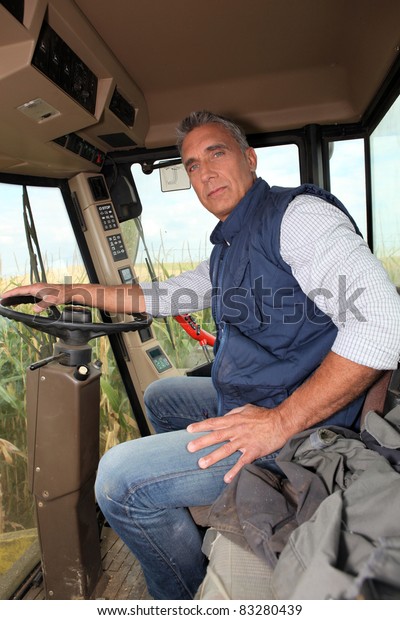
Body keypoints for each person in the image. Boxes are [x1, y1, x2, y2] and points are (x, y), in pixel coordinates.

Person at [2, 111, 400, 599]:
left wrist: (276, 423)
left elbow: (381, 323)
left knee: (118, 480)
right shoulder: (230, 244)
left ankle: (182, 595)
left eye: (217, 153)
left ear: (249, 159)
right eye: (191, 165)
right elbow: (163, 295)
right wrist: (71, 292)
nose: (205, 172)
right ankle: (208, 493)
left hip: (305, 427)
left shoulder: (297, 218)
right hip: (267, 392)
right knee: (164, 394)